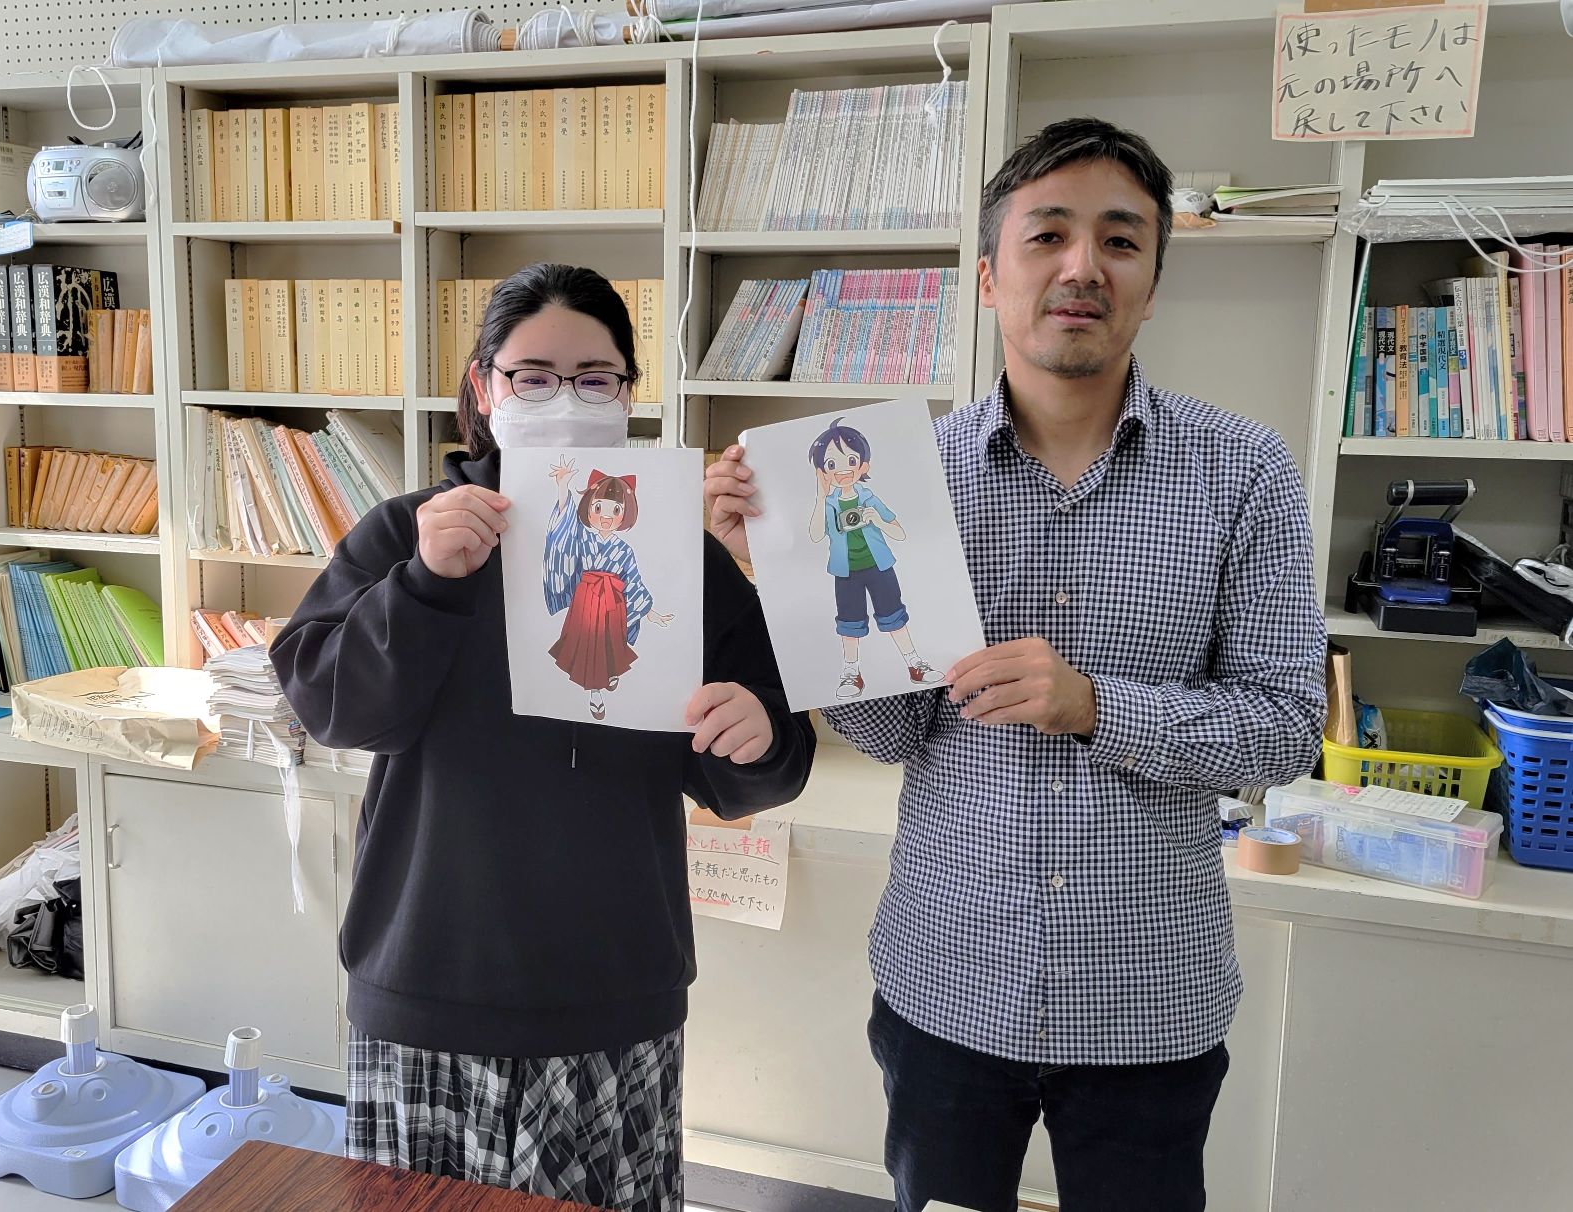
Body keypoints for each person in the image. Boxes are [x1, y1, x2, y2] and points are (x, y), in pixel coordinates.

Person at [705, 118, 1325, 1212]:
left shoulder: (1245, 471)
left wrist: (1096, 706)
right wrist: (786, 585)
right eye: (1047, 235)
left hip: (1149, 998)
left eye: (1120, 241)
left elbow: (1283, 728)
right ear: (990, 277)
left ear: (1151, 284)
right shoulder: (903, 476)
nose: (1083, 266)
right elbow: (895, 735)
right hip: (948, 979)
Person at [272, 262, 815, 1212]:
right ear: (485, 388)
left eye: (595, 378)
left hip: (614, 994)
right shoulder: (405, 533)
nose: (565, 399)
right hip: (428, 984)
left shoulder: (677, 555)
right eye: (532, 376)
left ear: (628, 394)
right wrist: (425, 584)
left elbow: (760, 771)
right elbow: (330, 706)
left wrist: (759, 734)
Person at [806, 417, 942, 700]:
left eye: (850, 461)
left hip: (879, 566)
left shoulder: (868, 497)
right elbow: (816, 535)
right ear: (823, 472)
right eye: (831, 464)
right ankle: (851, 672)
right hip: (845, 571)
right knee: (849, 623)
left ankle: (914, 663)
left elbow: (899, 532)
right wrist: (821, 497)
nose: (843, 470)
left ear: (863, 466)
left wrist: (877, 520)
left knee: (894, 615)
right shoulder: (829, 504)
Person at [543, 460, 672, 720]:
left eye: (615, 510)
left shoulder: (624, 550)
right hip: (587, 603)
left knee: (611, 643)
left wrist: (650, 612)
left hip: (614, 604)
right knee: (590, 647)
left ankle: (610, 672)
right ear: (588, 508)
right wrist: (563, 486)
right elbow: (564, 533)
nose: (605, 516)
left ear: (625, 514)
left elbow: (633, 581)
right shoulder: (583, 538)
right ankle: (595, 693)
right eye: (598, 507)